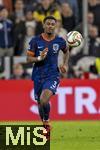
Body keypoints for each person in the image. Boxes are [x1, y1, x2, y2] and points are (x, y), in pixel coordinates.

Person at [26, 16, 69, 139]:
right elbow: (28, 59)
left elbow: (67, 51)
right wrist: (39, 58)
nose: (50, 26)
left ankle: (47, 122)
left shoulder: (60, 41)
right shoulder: (35, 41)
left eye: (52, 24)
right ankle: (45, 125)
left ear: (55, 26)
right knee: (40, 103)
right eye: (48, 24)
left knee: (44, 99)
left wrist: (65, 64)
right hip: (38, 75)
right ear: (44, 25)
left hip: (52, 75)